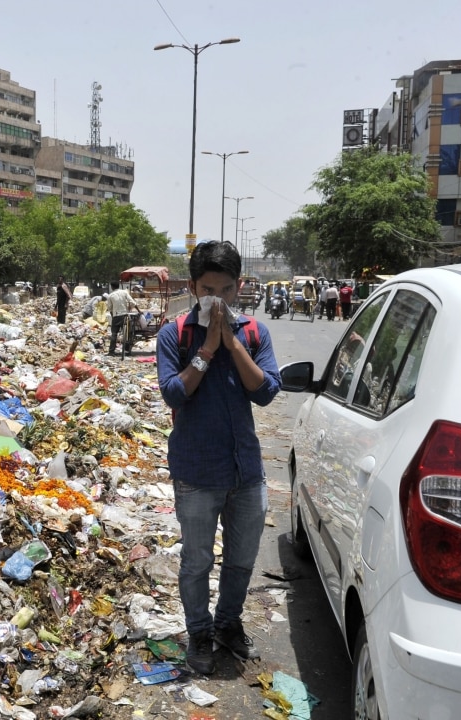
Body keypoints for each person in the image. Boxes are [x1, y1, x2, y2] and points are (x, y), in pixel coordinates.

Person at [156, 241, 280, 675]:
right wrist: (207, 349)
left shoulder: (254, 332)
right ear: (192, 287)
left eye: (227, 290)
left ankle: (228, 623)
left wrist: (232, 343)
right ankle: (199, 631)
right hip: (196, 471)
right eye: (209, 289)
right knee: (197, 562)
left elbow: (265, 392)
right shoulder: (176, 334)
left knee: (243, 558)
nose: (219, 299)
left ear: (239, 286)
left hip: (245, 470)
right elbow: (174, 392)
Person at [106, 282, 138, 356]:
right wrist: (139, 311)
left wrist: (113, 316)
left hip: (116, 316)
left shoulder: (110, 296)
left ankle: (111, 352)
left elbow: (110, 309)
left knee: (114, 334)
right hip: (125, 316)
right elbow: (133, 302)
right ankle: (127, 348)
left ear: (112, 287)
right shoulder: (124, 292)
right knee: (128, 332)